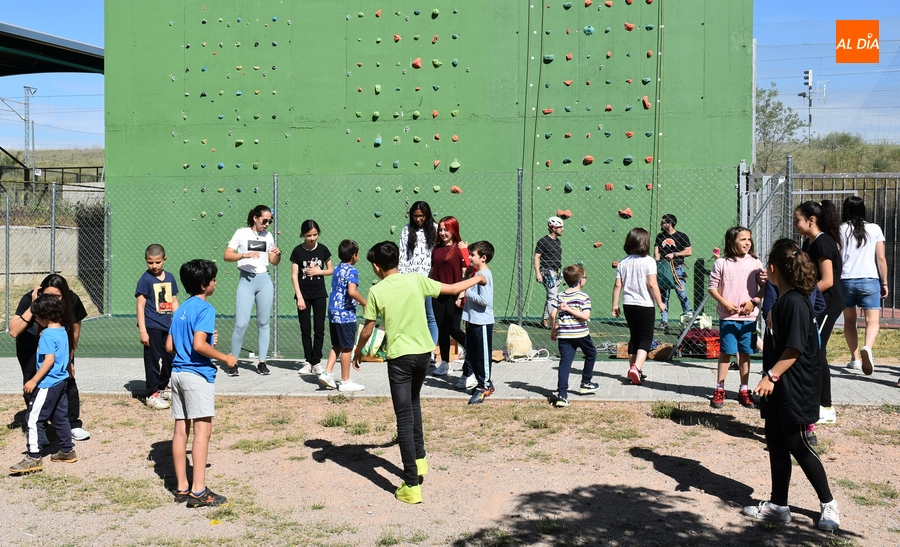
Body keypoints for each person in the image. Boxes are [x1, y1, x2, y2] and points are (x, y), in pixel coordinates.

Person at [353, 241, 486, 504]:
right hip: (425, 355)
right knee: (414, 403)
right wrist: (477, 278)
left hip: (400, 359)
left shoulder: (377, 290)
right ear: (398, 262)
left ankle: (411, 484)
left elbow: (368, 328)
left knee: (403, 416)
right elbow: (453, 288)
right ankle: (420, 459)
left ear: (377, 267)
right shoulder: (416, 279)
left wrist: (358, 350)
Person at [743, 238, 839, 532]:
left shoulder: (796, 301)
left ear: (772, 270)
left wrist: (770, 376)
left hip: (795, 385)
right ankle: (778, 505)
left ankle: (829, 504)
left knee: (797, 442)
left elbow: (795, 348)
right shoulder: (784, 300)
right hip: (779, 386)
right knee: (775, 441)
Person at [165, 259, 238, 508]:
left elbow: (169, 346)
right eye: (214, 280)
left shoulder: (181, 309)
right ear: (205, 284)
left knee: (180, 430)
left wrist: (207, 340)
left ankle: (182, 487)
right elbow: (199, 345)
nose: (216, 283)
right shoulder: (206, 309)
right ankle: (199, 491)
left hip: (177, 374)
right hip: (197, 376)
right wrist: (225, 357)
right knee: (202, 432)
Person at [8, 274, 91, 441]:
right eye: (48, 296)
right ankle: (40, 428)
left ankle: (72, 424)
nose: (53, 300)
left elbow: (75, 332)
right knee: (33, 382)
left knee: (67, 381)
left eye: (58, 296)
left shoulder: (72, 300)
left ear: (65, 295)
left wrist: (68, 359)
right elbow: (14, 331)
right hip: (30, 347)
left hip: (59, 345)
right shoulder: (29, 299)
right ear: (40, 292)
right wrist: (34, 305)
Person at [9, 295, 76, 475]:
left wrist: (34, 380)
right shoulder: (62, 330)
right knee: (59, 417)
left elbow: (48, 361)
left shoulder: (47, 334)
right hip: (61, 381)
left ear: (45, 316)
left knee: (32, 419)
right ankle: (67, 450)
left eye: (37, 317)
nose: (36, 320)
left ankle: (33, 457)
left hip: (48, 383)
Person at [794, 201, 843, 426]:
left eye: (798, 220)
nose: (795, 224)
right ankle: (816, 402)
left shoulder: (823, 243)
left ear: (811, 220)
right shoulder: (809, 243)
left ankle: (826, 406)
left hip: (827, 305)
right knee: (814, 352)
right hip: (815, 303)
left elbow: (828, 281)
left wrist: (804, 294)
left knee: (817, 352)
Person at [708, 227, 765, 409]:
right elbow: (712, 288)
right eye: (742, 239)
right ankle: (720, 388)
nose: (747, 242)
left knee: (745, 353)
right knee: (726, 352)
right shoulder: (721, 263)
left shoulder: (755, 263)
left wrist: (754, 302)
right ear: (732, 241)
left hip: (749, 318)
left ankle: (744, 389)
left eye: (749, 239)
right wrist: (724, 303)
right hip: (728, 318)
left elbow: (764, 287)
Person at [224, 205, 282, 376]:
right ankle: (233, 362)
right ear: (255, 218)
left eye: (269, 221)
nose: (266, 224)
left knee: (264, 323)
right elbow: (227, 255)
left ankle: (262, 362)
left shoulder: (268, 236)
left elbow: (274, 261)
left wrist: (278, 253)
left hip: (264, 280)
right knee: (241, 324)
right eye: (264, 220)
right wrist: (244, 255)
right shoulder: (241, 233)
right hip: (246, 280)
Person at [839, 196, 887, 376]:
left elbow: (837, 255)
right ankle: (868, 347)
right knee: (872, 320)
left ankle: (855, 359)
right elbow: (881, 258)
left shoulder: (841, 229)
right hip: (870, 278)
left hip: (846, 280)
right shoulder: (874, 229)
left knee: (850, 320)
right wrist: (884, 282)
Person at [612, 228, 666, 387]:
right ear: (646, 243)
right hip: (645, 305)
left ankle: (633, 372)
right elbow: (652, 284)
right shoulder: (649, 261)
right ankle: (637, 367)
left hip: (628, 304)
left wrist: (615, 305)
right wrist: (660, 302)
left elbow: (617, 285)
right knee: (646, 338)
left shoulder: (623, 262)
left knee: (634, 336)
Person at [319, 239, 367, 392]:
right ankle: (345, 381)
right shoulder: (352, 271)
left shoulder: (338, 269)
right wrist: (364, 302)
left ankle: (327, 372)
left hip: (333, 312)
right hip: (345, 316)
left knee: (337, 345)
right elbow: (352, 292)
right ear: (354, 256)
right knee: (347, 348)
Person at [136, 244, 180, 410]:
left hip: (167, 325)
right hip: (151, 326)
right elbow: (140, 306)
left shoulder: (170, 277)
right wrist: (143, 330)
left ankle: (162, 386)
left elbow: (174, 301)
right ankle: (152, 393)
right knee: (152, 359)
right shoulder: (145, 280)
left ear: (164, 259)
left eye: (157, 262)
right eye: (150, 262)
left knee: (170, 357)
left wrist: (178, 322)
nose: (154, 266)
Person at [550, 264, 599, 407]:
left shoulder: (560, 295)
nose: (586, 279)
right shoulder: (583, 297)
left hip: (564, 335)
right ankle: (586, 382)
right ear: (580, 280)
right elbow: (585, 316)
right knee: (591, 354)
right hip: (581, 334)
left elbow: (553, 314)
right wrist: (571, 310)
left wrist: (553, 330)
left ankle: (562, 395)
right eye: (585, 277)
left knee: (565, 362)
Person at [290, 220, 333, 374]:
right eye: (309, 235)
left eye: (315, 234)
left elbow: (331, 269)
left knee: (319, 328)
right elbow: (294, 276)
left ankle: (317, 362)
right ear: (303, 235)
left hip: (319, 294)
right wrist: (299, 297)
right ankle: (308, 361)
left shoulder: (323, 250)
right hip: (304, 296)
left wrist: (318, 272)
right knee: (305, 329)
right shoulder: (297, 251)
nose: (312, 238)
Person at [430, 216, 470, 376]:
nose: (443, 232)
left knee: (453, 328)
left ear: (453, 230)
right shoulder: (436, 249)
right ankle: (445, 363)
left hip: (455, 294)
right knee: (441, 329)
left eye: (446, 229)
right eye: (440, 229)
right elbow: (434, 271)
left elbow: (467, 271)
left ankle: (473, 349)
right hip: (438, 293)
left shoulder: (460, 248)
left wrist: (462, 293)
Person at [458, 241, 495, 404]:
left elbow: (485, 300)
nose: (470, 257)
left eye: (472, 255)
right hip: (473, 321)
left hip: (482, 322)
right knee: (472, 354)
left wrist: (467, 292)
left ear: (483, 258)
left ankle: (484, 386)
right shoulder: (476, 274)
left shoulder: (484, 276)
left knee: (482, 356)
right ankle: (483, 382)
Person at [398, 201, 439, 346]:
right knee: (413, 314)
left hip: (428, 278)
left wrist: (433, 275)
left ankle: (432, 350)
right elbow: (402, 254)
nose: (418, 219)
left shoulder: (435, 229)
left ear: (427, 215)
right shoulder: (407, 230)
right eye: (415, 216)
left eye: (421, 216)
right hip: (410, 278)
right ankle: (415, 346)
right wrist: (401, 277)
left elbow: (437, 254)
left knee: (430, 315)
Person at [654, 214, 693, 332]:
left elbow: (689, 251)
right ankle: (664, 321)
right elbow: (657, 251)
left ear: (669, 224)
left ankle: (688, 320)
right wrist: (657, 264)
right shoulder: (660, 236)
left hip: (677, 269)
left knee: (682, 295)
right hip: (664, 270)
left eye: (663, 223)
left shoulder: (682, 236)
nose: (661, 225)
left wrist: (675, 254)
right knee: (664, 297)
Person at [534, 216, 565, 329]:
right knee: (553, 296)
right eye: (560, 227)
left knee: (552, 296)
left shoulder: (558, 241)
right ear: (553, 228)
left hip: (557, 272)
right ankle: (552, 321)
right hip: (547, 271)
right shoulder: (543, 241)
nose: (562, 229)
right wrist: (538, 273)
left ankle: (544, 319)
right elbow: (536, 257)